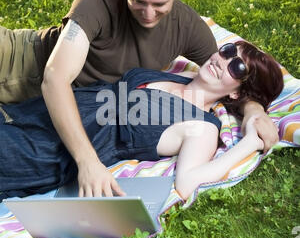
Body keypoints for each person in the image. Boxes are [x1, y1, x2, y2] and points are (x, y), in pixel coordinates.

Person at [0, 0, 279, 197]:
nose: (148, 14)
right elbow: (54, 77)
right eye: (138, 0)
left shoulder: (186, 31)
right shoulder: (99, 1)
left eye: (159, 4)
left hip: (45, 130)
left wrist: (253, 118)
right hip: (23, 62)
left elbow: (237, 86)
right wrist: (87, 161)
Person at [0, 41, 283, 201]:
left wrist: (248, 143)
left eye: (237, 66)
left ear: (236, 92)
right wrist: (252, 108)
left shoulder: (202, 128)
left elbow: (187, 183)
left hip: (42, 151)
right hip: (34, 111)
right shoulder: (180, 74)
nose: (224, 60)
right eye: (228, 50)